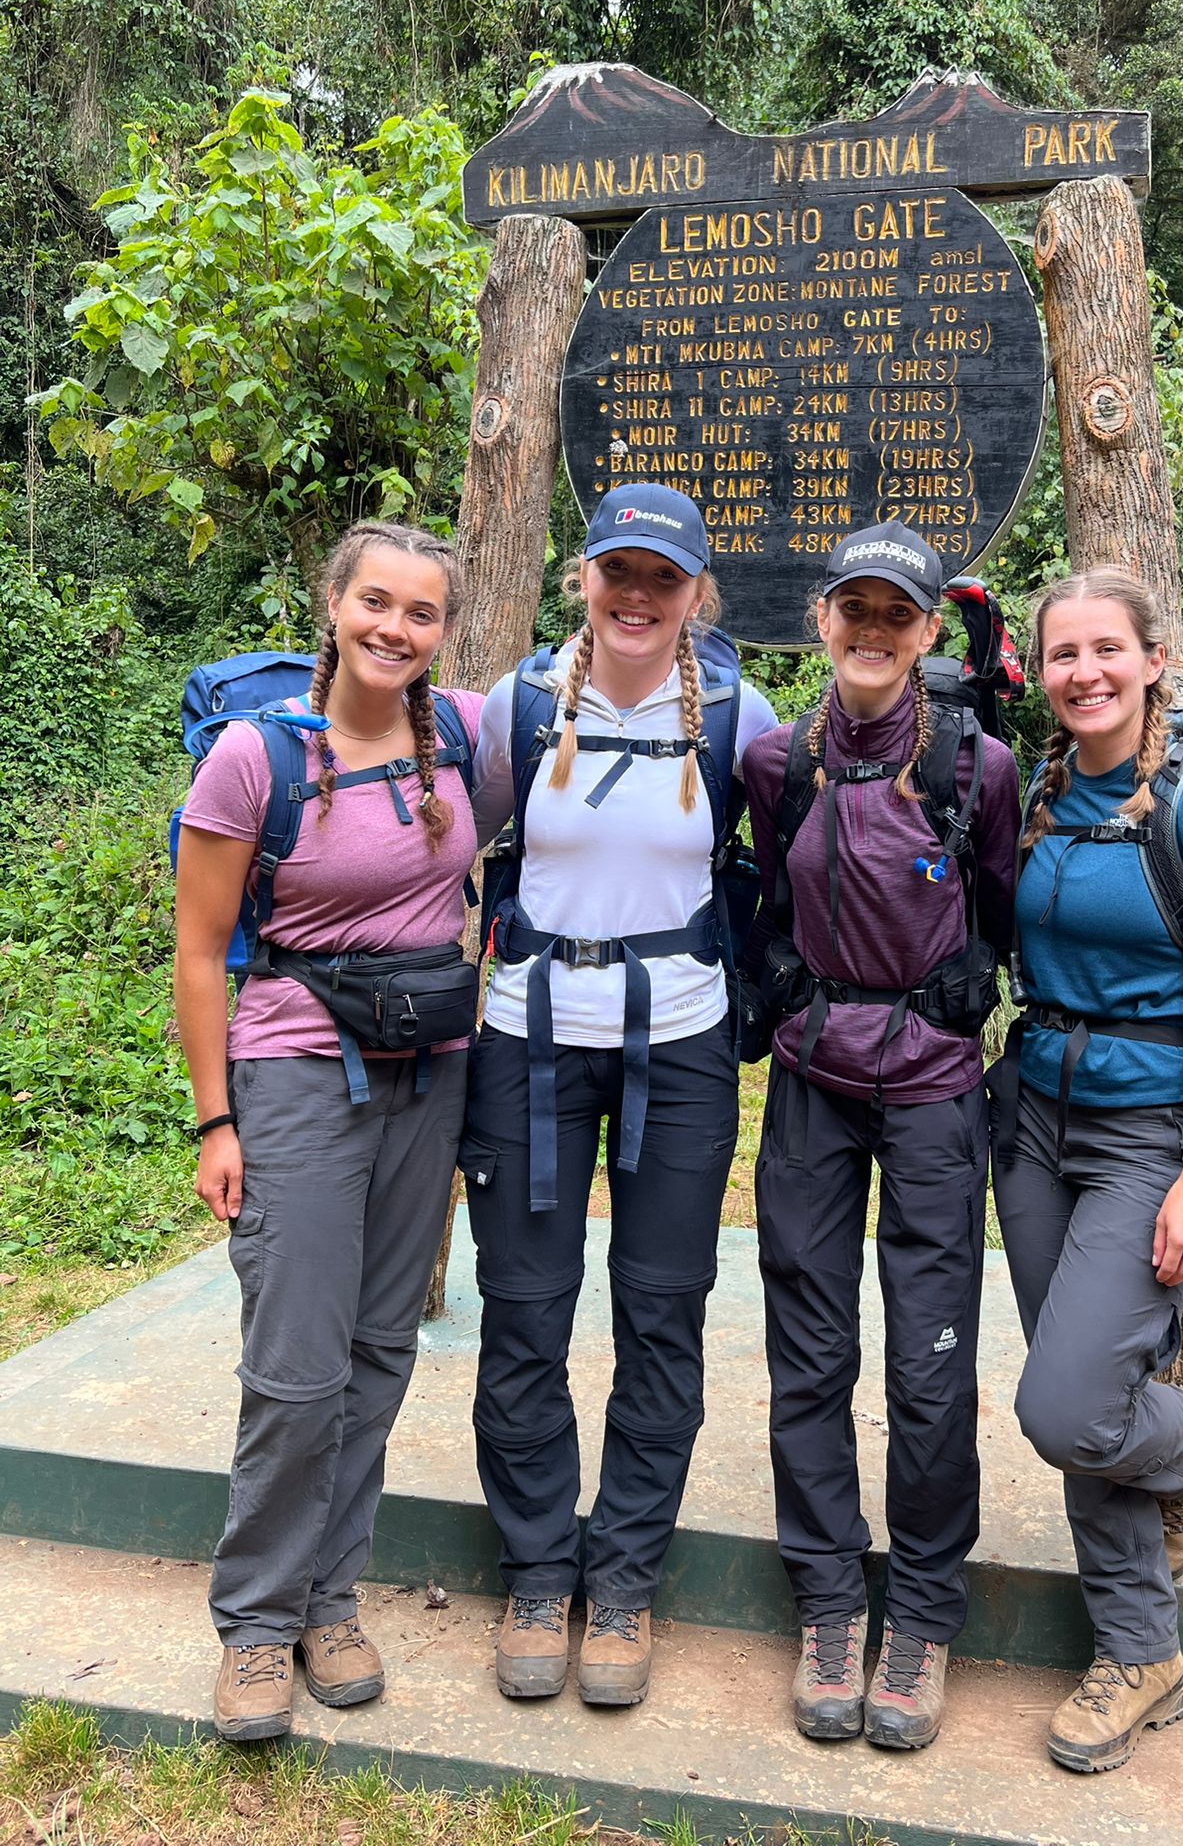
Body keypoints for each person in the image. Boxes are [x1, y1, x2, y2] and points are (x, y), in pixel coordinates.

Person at [465, 481, 776, 1712]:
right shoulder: (521, 706)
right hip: (527, 1041)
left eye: (664, 576)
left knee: (662, 1311)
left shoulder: (740, 718)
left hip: (682, 1047)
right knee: (525, 1309)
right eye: (617, 571)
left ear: (697, 593)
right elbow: (453, 847)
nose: (638, 596)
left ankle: (626, 1575)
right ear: (581, 577)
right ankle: (542, 1567)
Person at [174, 521, 482, 1743]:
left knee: (375, 1353)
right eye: (375, 602)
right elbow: (200, 951)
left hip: (430, 1073)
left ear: (443, 631)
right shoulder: (257, 758)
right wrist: (214, 1119)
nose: (393, 629)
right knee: (296, 1367)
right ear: (334, 602)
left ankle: (329, 1599)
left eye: (420, 612)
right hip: (297, 1071)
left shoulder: (457, 737)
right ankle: (256, 1621)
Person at [741, 523, 1021, 1752]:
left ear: (923, 631)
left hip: (930, 1086)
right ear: (822, 618)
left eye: (894, 613)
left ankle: (921, 1609)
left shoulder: (976, 765)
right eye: (851, 607)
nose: (870, 629)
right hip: (810, 1075)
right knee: (808, 1344)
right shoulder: (775, 761)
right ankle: (828, 1602)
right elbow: (767, 899)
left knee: (928, 1353)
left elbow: (998, 913)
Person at [995, 567, 1183, 1774]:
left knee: (1070, 1404)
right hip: (1034, 1125)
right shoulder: (1047, 790)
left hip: (1144, 1133)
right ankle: (1139, 1649)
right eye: (1063, 654)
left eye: (1108, 648)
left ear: (1154, 658)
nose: (1085, 672)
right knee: (1084, 1393)